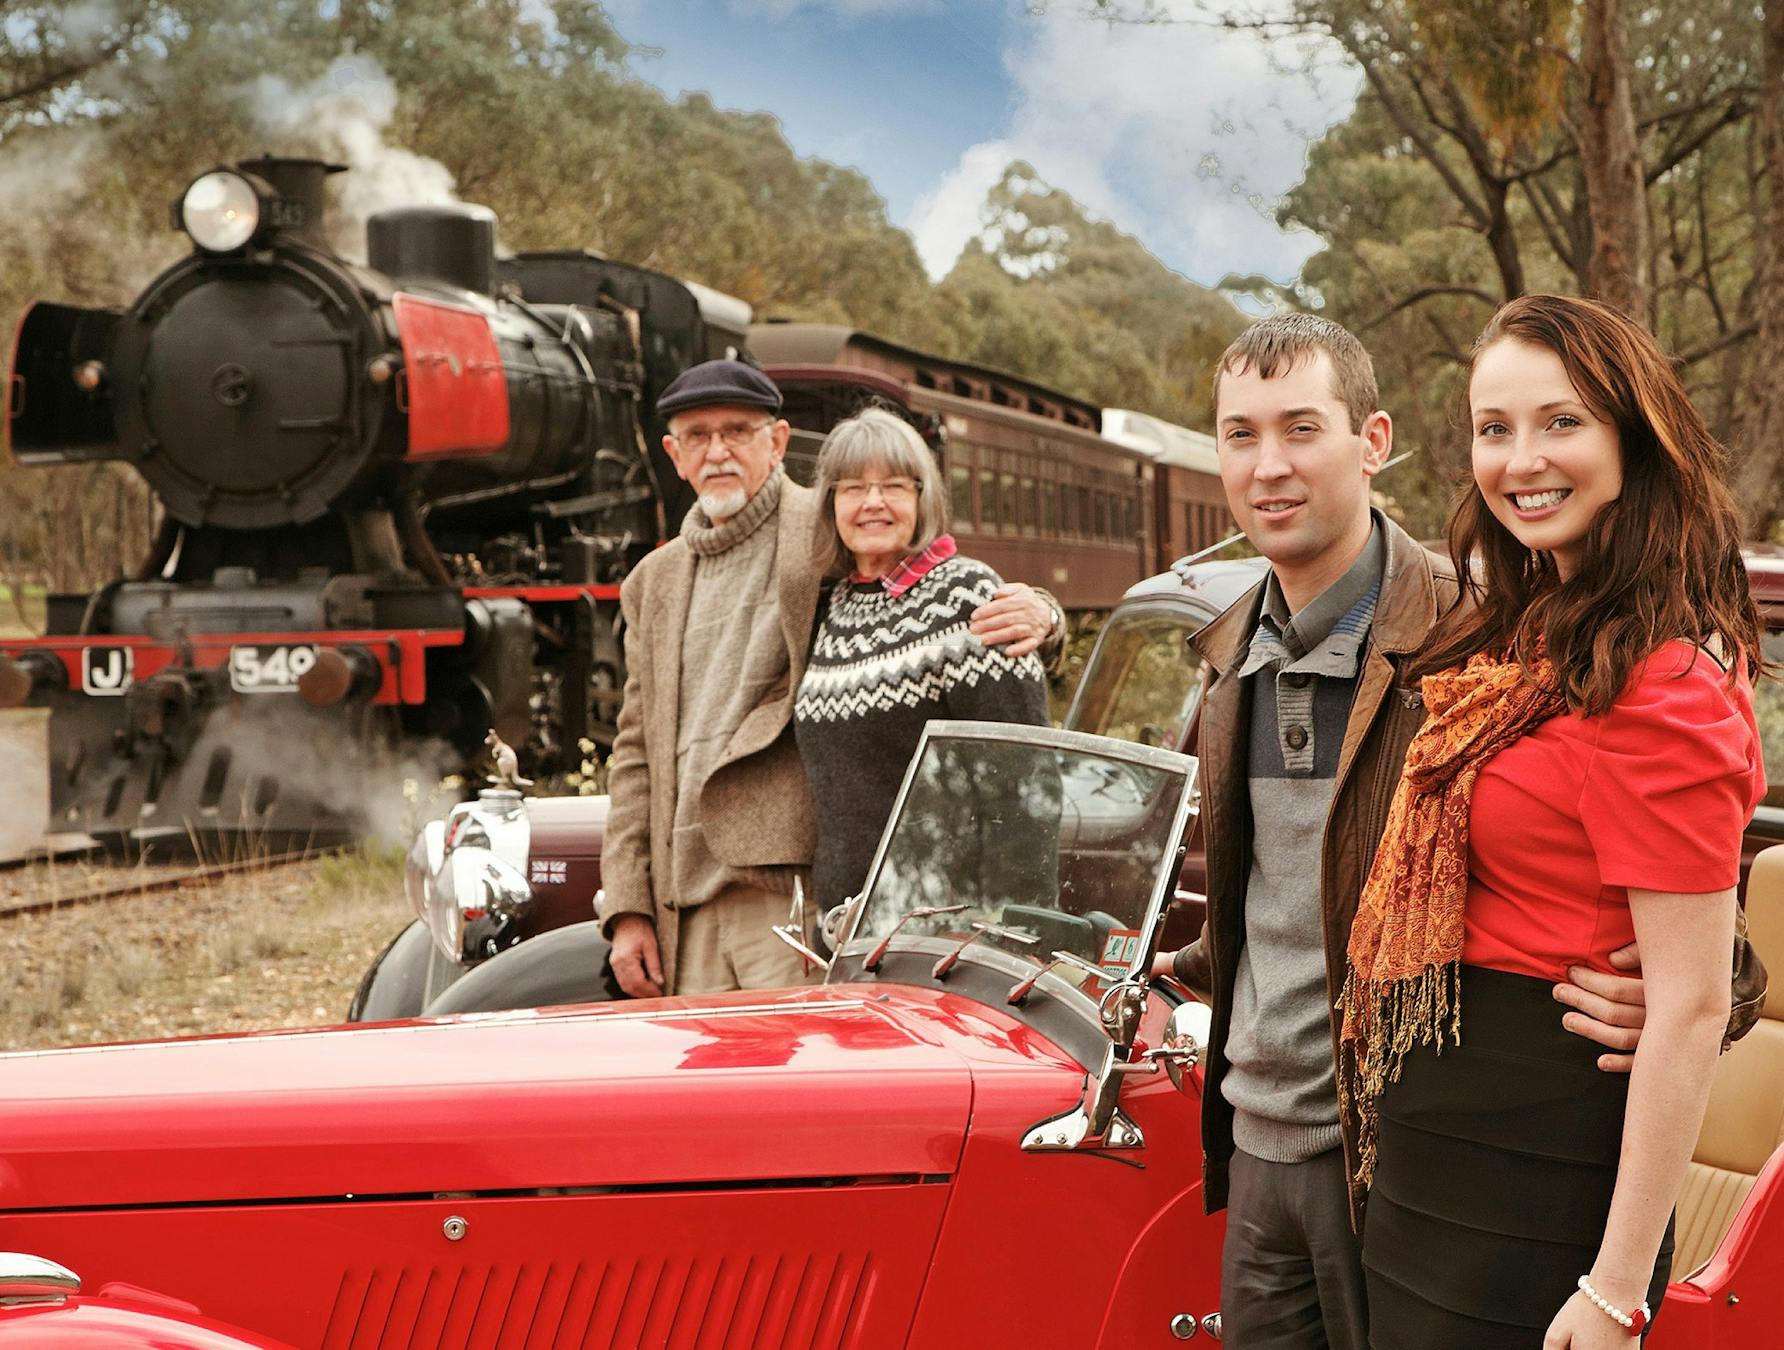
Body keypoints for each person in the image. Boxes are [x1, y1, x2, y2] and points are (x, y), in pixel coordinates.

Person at [1150, 314, 1766, 1350]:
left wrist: (1717, 989)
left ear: (1374, 440)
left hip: (1446, 1147)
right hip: (1348, 1145)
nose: (1270, 467)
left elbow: (1677, 947)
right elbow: (1284, 893)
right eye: (1494, 427)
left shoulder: (1455, 632)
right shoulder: (1493, 641)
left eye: (1301, 428)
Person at [1344, 295, 1767, 1348]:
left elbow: (1686, 1007)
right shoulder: (1523, 643)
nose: (1521, 458)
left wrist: (1617, 1292)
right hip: (1433, 1157)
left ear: (1635, 437)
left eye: (1562, 422)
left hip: (1540, 1183)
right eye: (1495, 429)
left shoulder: (1665, 683)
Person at [598, 360, 1063, 999]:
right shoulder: (651, 581)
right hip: (684, 898)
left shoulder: (820, 527)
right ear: (674, 455)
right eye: (699, 437)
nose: (719, 451)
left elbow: (947, 590)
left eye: (737, 431)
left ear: (779, 442)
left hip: (785, 893)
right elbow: (633, 752)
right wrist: (628, 906)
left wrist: (1045, 613)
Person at [792, 407, 1049, 915]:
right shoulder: (834, 605)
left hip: (942, 924)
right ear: (830, 505)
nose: (872, 503)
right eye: (852, 488)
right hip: (846, 921)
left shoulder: (967, 596)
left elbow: (1021, 785)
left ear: (921, 496)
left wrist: (1011, 925)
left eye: (892, 486)